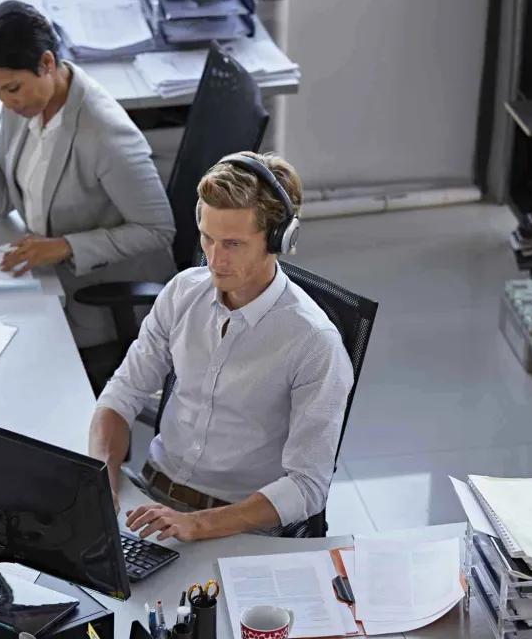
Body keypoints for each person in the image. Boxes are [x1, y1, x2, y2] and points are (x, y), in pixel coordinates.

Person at [88, 152, 354, 542]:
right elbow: (123, 392)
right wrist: (101, 480)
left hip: (236, 528)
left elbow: (308, 486)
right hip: (151, 500)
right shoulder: (183, 292)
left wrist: (198, 524)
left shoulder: (314, 343)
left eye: (233, 243)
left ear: (280, 239)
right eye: (208, 238)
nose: (215, 259)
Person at [0, 1, 176, 349]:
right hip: (45, 273)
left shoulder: (105, 135)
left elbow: (158, 231)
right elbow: (5, 199)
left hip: (103, 294)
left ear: (47, 63)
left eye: (11, 88)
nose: (5, 103)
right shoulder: (26, 103)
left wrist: (64, 247)